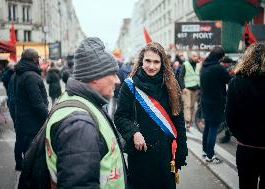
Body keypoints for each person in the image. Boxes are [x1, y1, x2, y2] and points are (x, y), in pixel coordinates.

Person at [45, 37, 127, 188]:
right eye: (112, 74)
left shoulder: (81, 103)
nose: (117, 80)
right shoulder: (79, 126)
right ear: (95, 76)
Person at [114, 42, 188, 189]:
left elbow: (178, 120)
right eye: (148, 61)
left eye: (156, 62)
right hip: (141, 155)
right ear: (141, 61)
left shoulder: (172, 85)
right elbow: (120, 116)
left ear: (163, 63)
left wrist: (181, 150)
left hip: (165, 154)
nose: (151, 66)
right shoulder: (129, 86)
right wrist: (133, 132)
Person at [225, 43, 265, 189]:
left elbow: (230, 117)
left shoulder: (236, 82)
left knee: (247, 184)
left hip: (246, 148)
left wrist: (241, 137)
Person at [12, 48, 49, 171]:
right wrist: (47, 117)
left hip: (22, 117)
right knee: (31, 150)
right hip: (31, 121)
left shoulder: (19, 73)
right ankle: (29, 173)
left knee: (20, 142)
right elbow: (37, 103)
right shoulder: (31, 76)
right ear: (34, 60)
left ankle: (20, 164)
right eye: (38, 58)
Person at [200, 46, 231, 163]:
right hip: (216, 102)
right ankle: (210, 156)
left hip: (205, 101)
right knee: (213, 128)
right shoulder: (218, 68)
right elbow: (230, 80)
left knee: (207, 127)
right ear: (219, 57)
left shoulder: (204, 66)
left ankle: (204, 151)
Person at [179, 51, 201, 130]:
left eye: (196, 56)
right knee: (187, 106)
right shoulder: (185, 64)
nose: (195, 58)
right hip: (187, 89)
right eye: (194, 56)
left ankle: (190, 121)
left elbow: (200, 76)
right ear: (191, 57)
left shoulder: (199, 65)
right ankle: (187, 122)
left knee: (192, 106)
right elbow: (181, 76)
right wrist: (183, 87)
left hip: (196, 89)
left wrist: (200, 88)